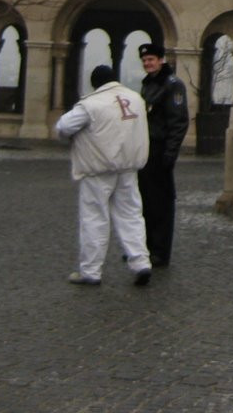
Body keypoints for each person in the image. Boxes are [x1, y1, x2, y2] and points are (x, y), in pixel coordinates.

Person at [54, 63, 152, 286]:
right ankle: (141, 262)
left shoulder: (91, 104)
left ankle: (91, 271)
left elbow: (63, 127)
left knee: (94, 218)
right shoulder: (136, 98)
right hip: (129, 169)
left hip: (98, 169)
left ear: (95, 83)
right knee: (132, 216)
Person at [137, 42, 189, 267]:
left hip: (160, 150)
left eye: (151, 59)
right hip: (146, 150)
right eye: (145, 60)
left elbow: (178, 122)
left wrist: (170, 154)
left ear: (161, 60)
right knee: (146, 201)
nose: (148, 63)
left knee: (161, 203)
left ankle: (160, 251)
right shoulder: (149, 84)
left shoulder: (173, 85)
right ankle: (147, 248)